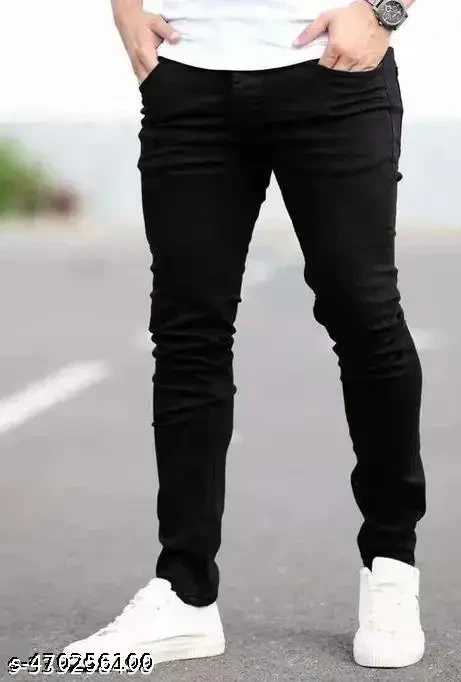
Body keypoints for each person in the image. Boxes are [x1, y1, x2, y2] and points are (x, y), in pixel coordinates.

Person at [65, 0, 426, 670]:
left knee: (364, 316)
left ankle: (391, 565)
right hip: (188, 78)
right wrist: (125, 11)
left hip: (333, 71)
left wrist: (385, 11)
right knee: (187, 332)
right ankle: (184, 592)